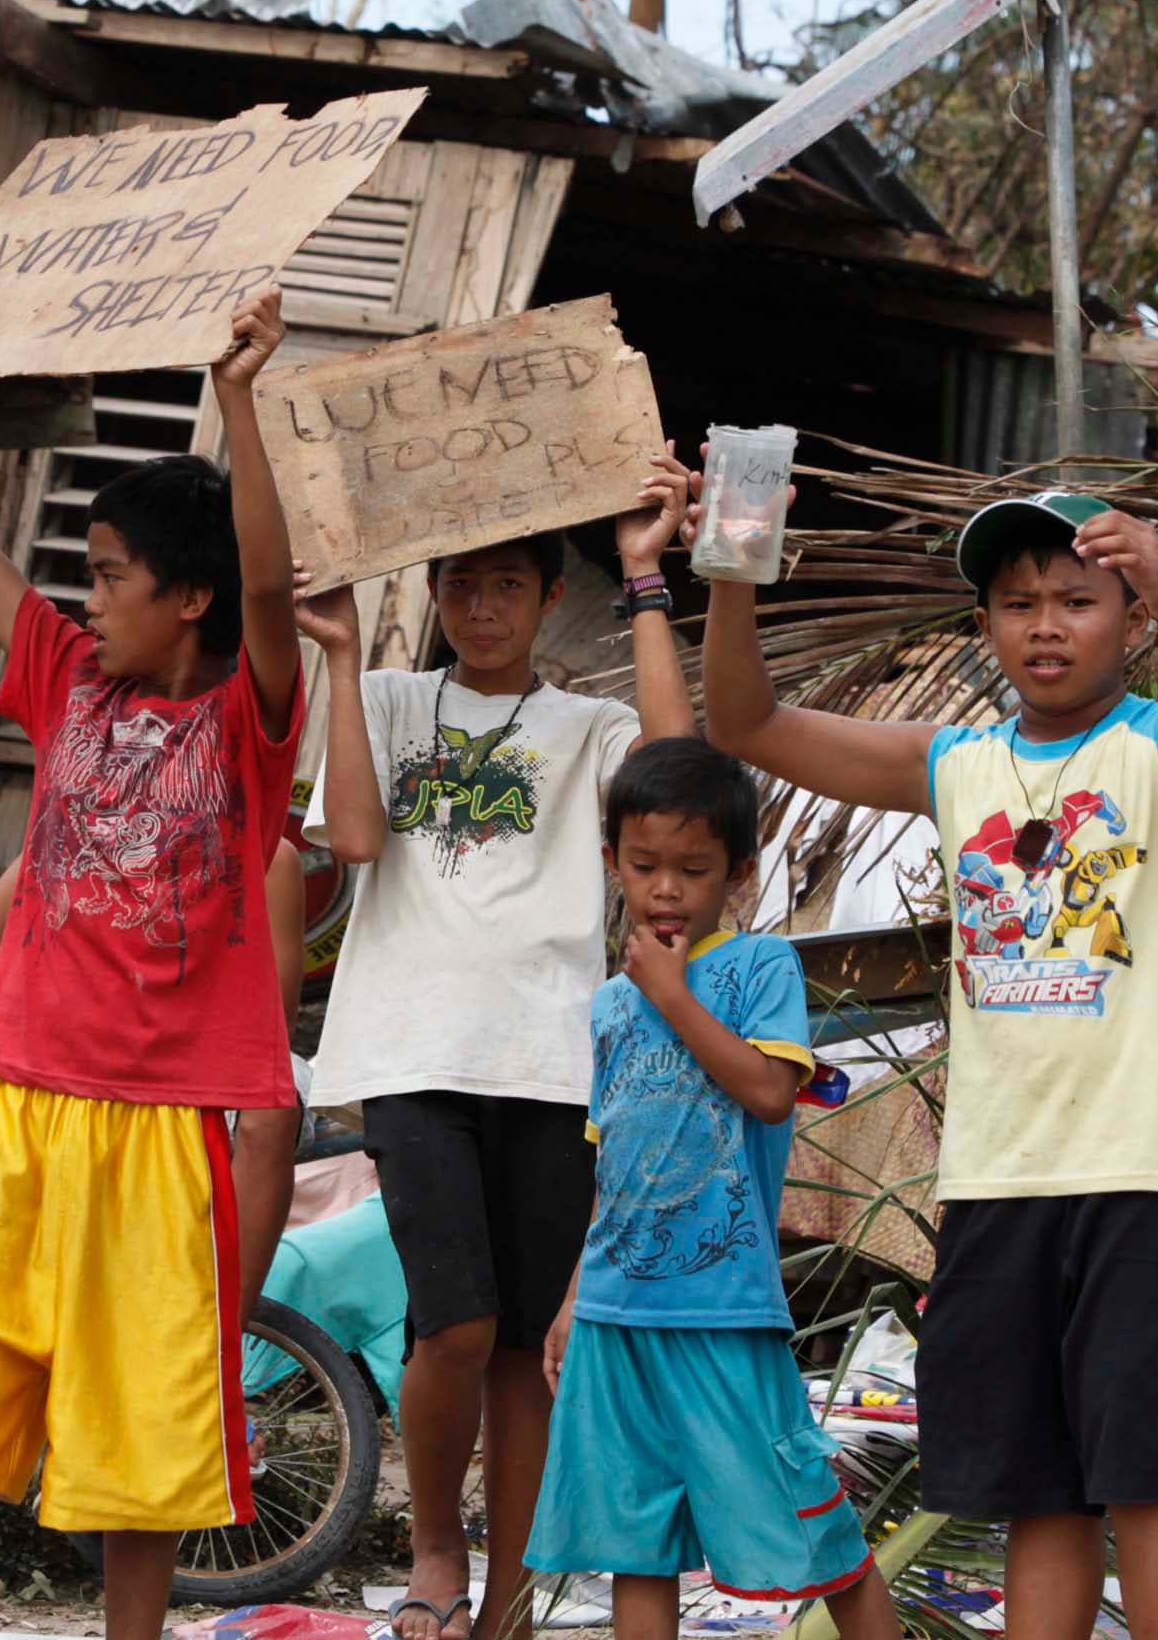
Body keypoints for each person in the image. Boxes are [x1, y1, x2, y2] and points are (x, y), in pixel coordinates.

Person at [702, 479, 1158, 1640]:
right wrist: (728, 571)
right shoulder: (956, 760)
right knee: (1039, 1488)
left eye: (1079, 598)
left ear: (1127, 617)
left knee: (1157, 1479)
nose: (1047, 623)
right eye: (1018, 602)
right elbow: (745, 725)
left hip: (1149, 1174)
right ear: (985, 627)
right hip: (993, 1180)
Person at [0, 258, 304, 1640]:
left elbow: (275, 586)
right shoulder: (63, 677)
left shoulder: (248, 720)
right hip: (16, 1094)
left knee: (144, 1417)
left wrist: (239, 408)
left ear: (187, 598)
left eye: (112, 574)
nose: (86, 594)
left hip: (163, 1121)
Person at [293, 473, 694, 1640]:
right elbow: (355, 836)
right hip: (412, 1052)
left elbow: (677, 775)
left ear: (547, 596)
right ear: (436, 590)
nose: (481, 607)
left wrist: (648, 575)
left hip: (556, 1060)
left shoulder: (589, 728)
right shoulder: (382, 698)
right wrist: (341, 651)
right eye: (462, 583)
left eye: (507, 585)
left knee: (522, 1347)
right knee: (453, 1324)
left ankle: (508, 1593)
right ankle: (433, 1554)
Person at [526, 738, 900, 1640]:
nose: (665, 889)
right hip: (618, 1313)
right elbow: (608, 1166)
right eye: (645, 865)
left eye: (693, 869)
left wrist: (674, 993)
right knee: (635, 1541)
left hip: (722, 1307)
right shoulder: (611, 1004)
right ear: (612, 859)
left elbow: (772, 1093)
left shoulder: (758, 967)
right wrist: (574, 1299)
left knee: (812, 1524)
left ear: (737, 872)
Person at [0, 833, 309, 1303]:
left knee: (271, 1112)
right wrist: (10, 1083)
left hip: (192, 1106)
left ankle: (222, 1329)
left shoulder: (264, 858)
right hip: (69, 1097)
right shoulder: (79, 828)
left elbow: (269, 1044)